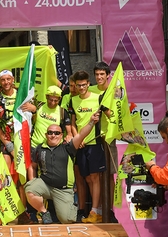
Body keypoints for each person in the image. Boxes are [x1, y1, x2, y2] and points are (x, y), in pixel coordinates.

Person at [25, 112, 100, 224]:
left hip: (63, 190)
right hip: (45, 185)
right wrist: (33, 182)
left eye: (56, 133)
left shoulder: (68, 147)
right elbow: (32, 166)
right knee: (30, 189)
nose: (53, 135)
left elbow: (81, 135)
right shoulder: (39, 148)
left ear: (61, 135)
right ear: (46, 135)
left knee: (67, 220)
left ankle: (69, 208)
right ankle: (44, 212)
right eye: (50, 133)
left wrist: (91, 122)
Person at [0, 69, 36, 224]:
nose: (6, 82)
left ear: (13, 80)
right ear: (0, 82)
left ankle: (24, 212)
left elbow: (36, 110)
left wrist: (33, 108)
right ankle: (6, 211)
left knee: (23, 178)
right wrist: (7, 144)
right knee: (5, 178)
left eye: (9, 79)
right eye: (3, 80)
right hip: (6, 142)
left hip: (22, 140)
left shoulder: (22, 94)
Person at [70, 70, 106, 223]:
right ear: (75, 86)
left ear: (88, 84)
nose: (82, 88)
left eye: (84, 85)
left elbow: (109, 115)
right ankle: (95, 211)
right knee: (88, 179)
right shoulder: (73, 100)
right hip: (81, 145)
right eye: (78, 85)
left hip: (95, 142)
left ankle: (95, 210)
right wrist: (77, 138)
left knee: (95, 177)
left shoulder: (98, 98)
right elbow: (72, 123)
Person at [88, 61, 118, 222]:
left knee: (110, 175)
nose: (99, 77)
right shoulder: (90, 90)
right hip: (93, 138)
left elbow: (119, 113)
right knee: (94, 176)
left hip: (109, 138)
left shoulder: (115, 91)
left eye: (102, 74)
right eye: (97, 74)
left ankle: (110, 210)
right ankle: (97, 210)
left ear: (108, 75)